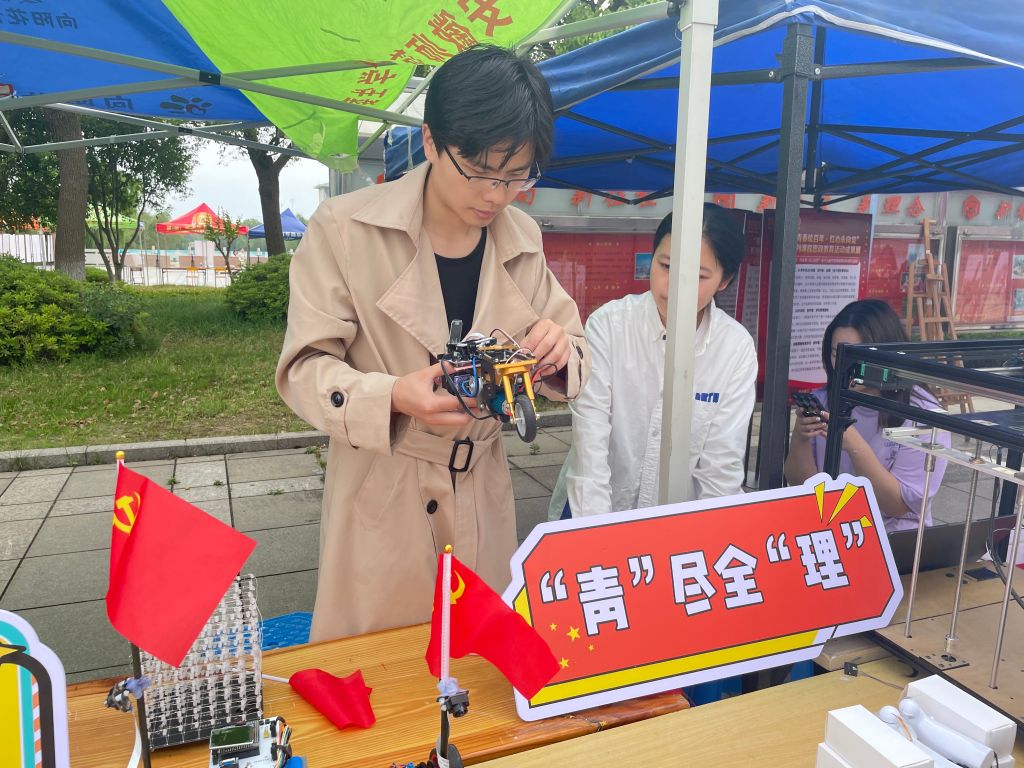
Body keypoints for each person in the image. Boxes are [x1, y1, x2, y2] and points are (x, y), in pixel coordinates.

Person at [277, 45, 589, 642]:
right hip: (383, 485)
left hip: (482, 486)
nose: (495, 194)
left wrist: (557, 353)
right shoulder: (345, 229)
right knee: (381, 671)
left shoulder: (522, 237)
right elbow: (305, 368)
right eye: (477, 169)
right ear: (430, 141)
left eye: (516, 176)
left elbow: (572, 347)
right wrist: (392, 395)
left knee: (479, 665)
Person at [549, 204, 757, 520]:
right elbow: (590, 446)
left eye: (698, 276)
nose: (675, 286)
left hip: (678, 520)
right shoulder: (609, 326)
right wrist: (594, 534)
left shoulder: (734, 348)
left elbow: (721, 469)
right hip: (596, 505)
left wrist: (709, 535)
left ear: (725, 280)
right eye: (666, 266)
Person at [783, 299, 949, 533]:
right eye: (836, 354)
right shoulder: (825, 399)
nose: (844, 367)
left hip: (893, 538)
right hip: (830, 531)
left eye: (857, 357)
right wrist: (801, 437)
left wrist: (854, 446)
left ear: (887, 355)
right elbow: (800, 484)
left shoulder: (922, 414)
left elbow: (897, 506)